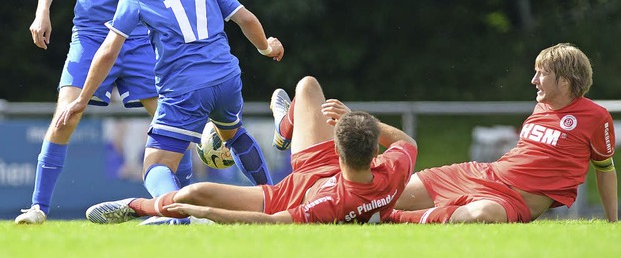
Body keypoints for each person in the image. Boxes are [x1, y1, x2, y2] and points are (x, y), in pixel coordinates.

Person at [55, 0, 284, 224]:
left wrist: (82, 98)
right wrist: (266, 48)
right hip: (227, 77)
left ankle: (173, 215)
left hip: (185, 87)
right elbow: (245, 18)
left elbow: (109, 50)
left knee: (155, 165)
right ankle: (273, 200)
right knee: (233, 134)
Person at [16, 0, 194, 225]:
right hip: (93, 36)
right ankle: (37, 209)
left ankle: (186, 210)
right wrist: (41, 13)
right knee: (66, 117)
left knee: (170, 123)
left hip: (142, 40)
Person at [84, 75, 418, 224]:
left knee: (196, 193)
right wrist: (358, 121)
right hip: (328, 170)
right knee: (307, 87)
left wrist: (209, 215)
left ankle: (135, 206)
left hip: (290, 193)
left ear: (338, 149)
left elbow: (267, 222)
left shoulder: (329, 203)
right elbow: (407, 143)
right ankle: (283, 128)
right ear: (376, 153)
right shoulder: (392, 172)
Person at [390, 43, 618, 224]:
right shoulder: (541, 106)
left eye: (542, 74)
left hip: (511, 202)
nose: (533, 81)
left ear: (565, 82)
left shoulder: (596, 117)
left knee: (480, 214)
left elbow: (605, 169)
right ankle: (363, 207)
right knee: (392, 193)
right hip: (483, 174)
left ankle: (394, 219)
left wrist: (612, 222)